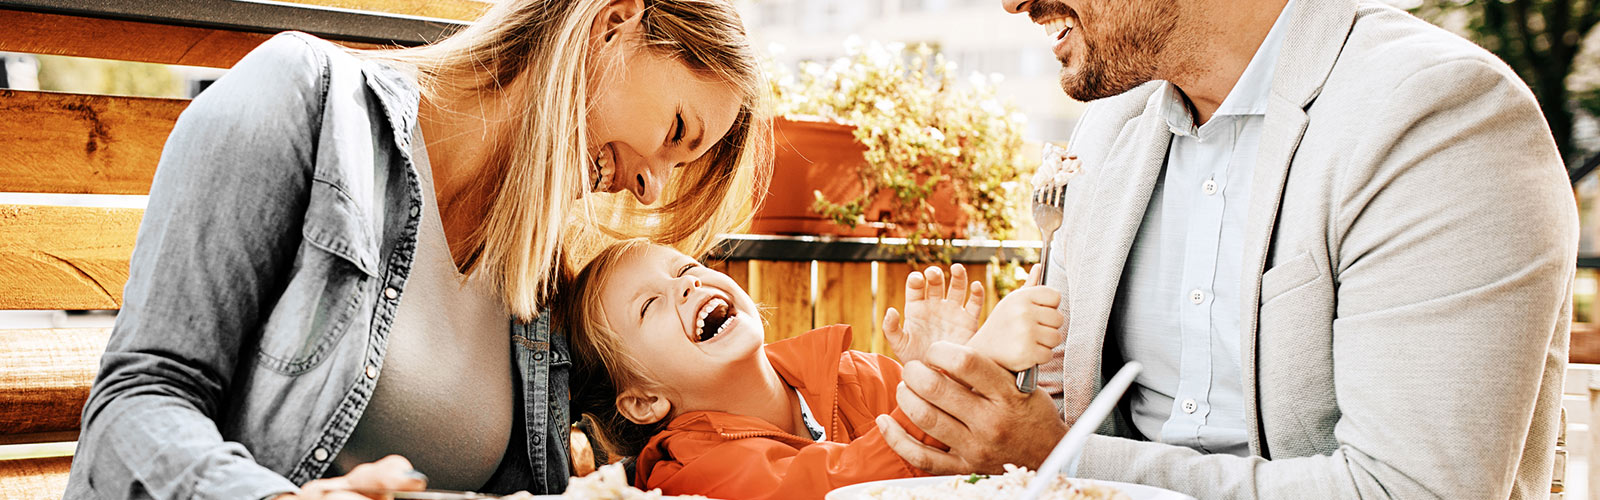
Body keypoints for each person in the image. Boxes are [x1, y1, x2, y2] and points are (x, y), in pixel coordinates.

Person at [64, 0, 768, 498]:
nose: (648, 190)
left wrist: (852, 405)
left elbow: (690, 409)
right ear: (614, 22)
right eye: (677, 131)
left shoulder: (536, 272)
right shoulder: (304, 103)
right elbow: (136, 403)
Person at [876, 0, 1578, 498]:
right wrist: (987, 393)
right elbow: (1067, 406)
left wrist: (1057, 458)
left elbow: (1410, 492)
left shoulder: (1437, 115)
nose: (1014, 3)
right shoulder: (1111, 130)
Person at [557, 239, 1064, 499]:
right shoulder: (691, 474)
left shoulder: (862, 375)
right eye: (650, 305)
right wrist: (969, 367)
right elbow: (834, 487)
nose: (685, 286)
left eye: (686, 268)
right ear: (645, 401)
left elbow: (977, 457)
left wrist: (937, 369)